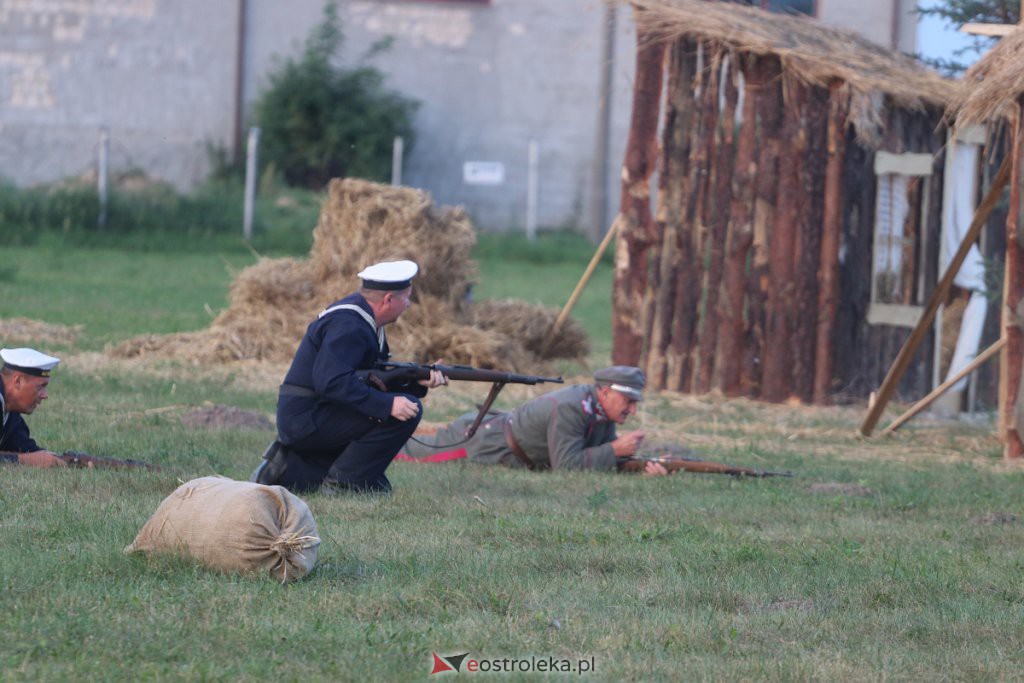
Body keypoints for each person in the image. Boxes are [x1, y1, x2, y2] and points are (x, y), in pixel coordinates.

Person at [252, 259, 447, 493]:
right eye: (406, 297)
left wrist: (417, 383)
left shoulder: (363, 320)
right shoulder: (350, 325)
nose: (408, 305)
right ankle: (341, 484)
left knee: (377, 485)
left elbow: (370, 380)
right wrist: (387, 405)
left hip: (315, 413)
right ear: (388, 299)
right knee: (406, 412)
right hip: (306, 420)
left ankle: (290, 470)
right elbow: (332, 381)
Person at [399, 366, 668, 475]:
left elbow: (595, 458)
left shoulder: (599, 408)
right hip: (484, 443)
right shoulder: (571, 408)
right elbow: (567, 466)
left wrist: (644, 468)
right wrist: (614, 450)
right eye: (629, 402)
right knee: (404, 452)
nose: (632, 410)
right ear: (606, 392)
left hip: (501, 438)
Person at [0, 347, 67, 468]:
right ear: (18, 381)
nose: (45, 395)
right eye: (40, 387)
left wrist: (67, 460)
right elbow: (28, 457)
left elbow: (25, 449)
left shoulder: (10, 410)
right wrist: (25, 460)